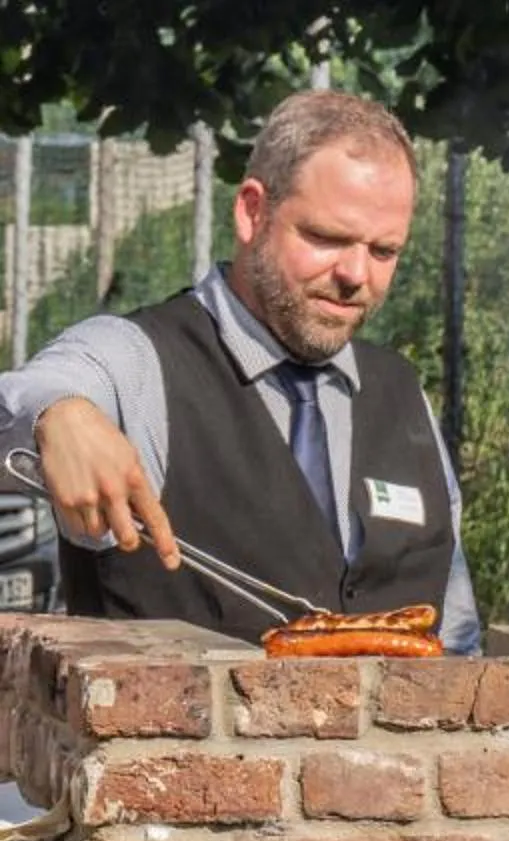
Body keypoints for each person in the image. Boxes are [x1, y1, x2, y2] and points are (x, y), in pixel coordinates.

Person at [0, 89, 480, 652]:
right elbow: (35, 390)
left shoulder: (401, 392)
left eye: (383, 252)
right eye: (327, 238)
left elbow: (458, 633)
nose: (356, 274)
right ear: (253, 211)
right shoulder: (142, 361)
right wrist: (58, 416)